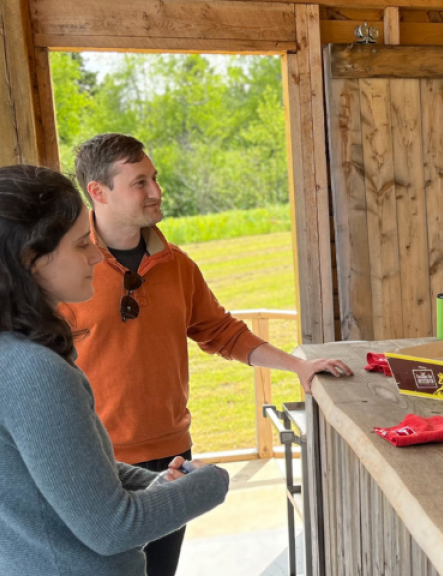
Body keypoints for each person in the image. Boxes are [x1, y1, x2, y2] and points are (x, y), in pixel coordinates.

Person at [60, 133, 353, 576]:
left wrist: (298, 365)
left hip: (171, 454)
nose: (157, 191)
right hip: (93, 460)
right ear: (98, 192)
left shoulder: (177, 265)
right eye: (140, 182)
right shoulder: (63, 269)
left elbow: (221, 332)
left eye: (154, 178)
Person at [0, 164, 229, 575]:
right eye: (80, 244)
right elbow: (113, 529)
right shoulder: (33, 372)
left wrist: (149, 483)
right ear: (31, 260)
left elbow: (59, 469)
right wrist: (211, 482)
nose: (94, 255)